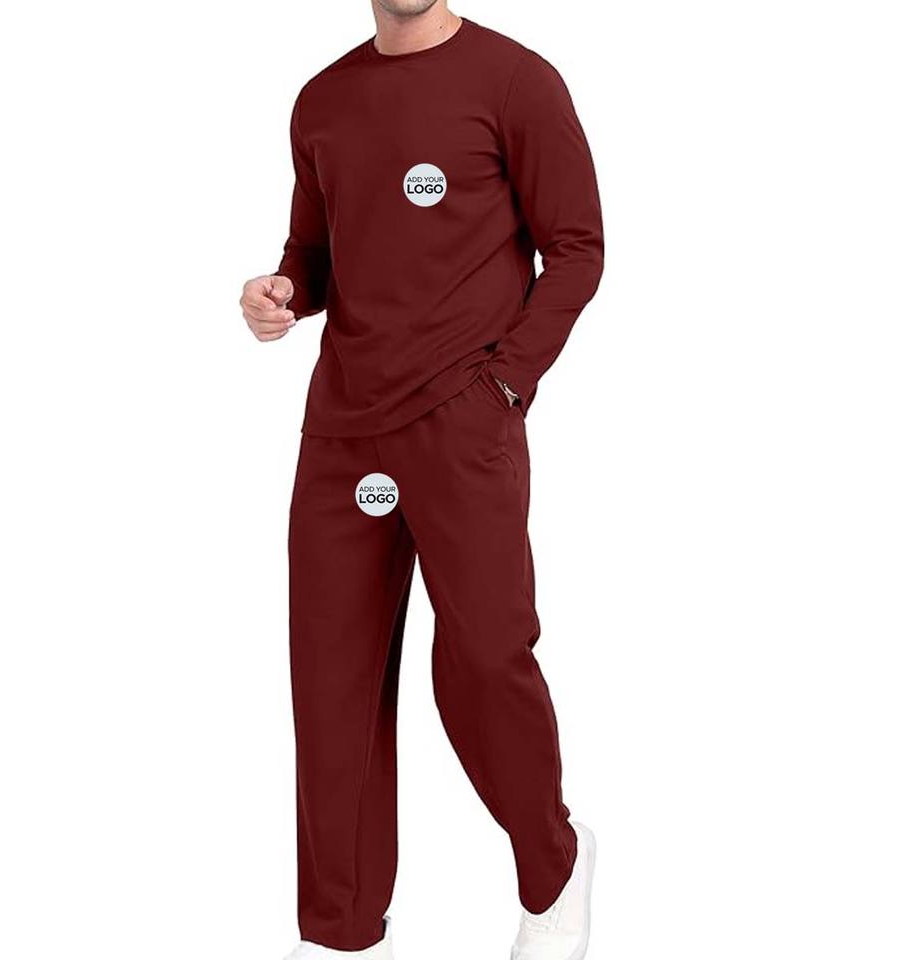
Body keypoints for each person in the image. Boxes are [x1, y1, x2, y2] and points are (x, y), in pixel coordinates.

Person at [241, 2, 603, 957]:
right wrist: (283, 292)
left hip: (461, 425)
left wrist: (504, 386)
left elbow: (577, 247)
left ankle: (553, 867)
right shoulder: (322, 100)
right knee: (333, 684)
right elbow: (316, 253)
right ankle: (342, 934)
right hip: (344, 437)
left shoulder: (516, 82)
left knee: (482, 662)